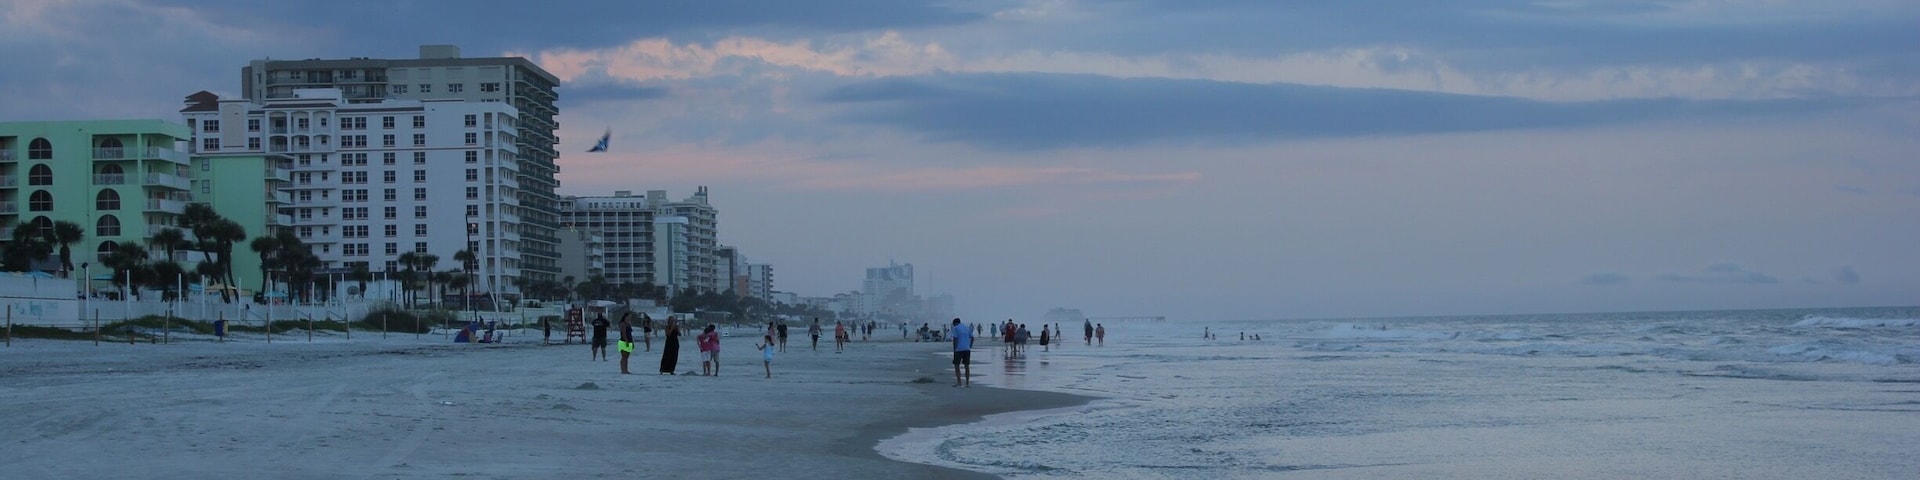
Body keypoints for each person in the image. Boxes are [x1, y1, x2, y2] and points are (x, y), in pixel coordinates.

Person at [950, 318, 973, 387]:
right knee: (966, 366)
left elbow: (955, 339)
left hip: (959, 349)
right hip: (967, 349)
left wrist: (954, 349)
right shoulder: (966, 327)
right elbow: (972, 338)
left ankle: (959, 382)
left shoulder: (956, 328)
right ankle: (967, 383)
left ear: (955, 323)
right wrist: (970, 346)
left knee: (957, 365)